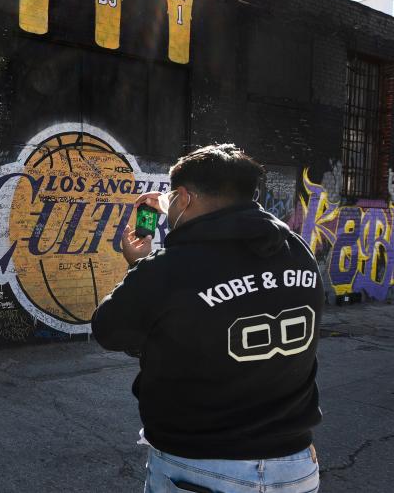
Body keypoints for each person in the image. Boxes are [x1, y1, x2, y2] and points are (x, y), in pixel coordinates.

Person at [91, 144, 323, 493]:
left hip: (200, 468)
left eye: (173, 197)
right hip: (295, 466)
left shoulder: (169, 269)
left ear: (184, 198)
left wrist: (138, 265)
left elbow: (108, 330)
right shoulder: (297, 252)